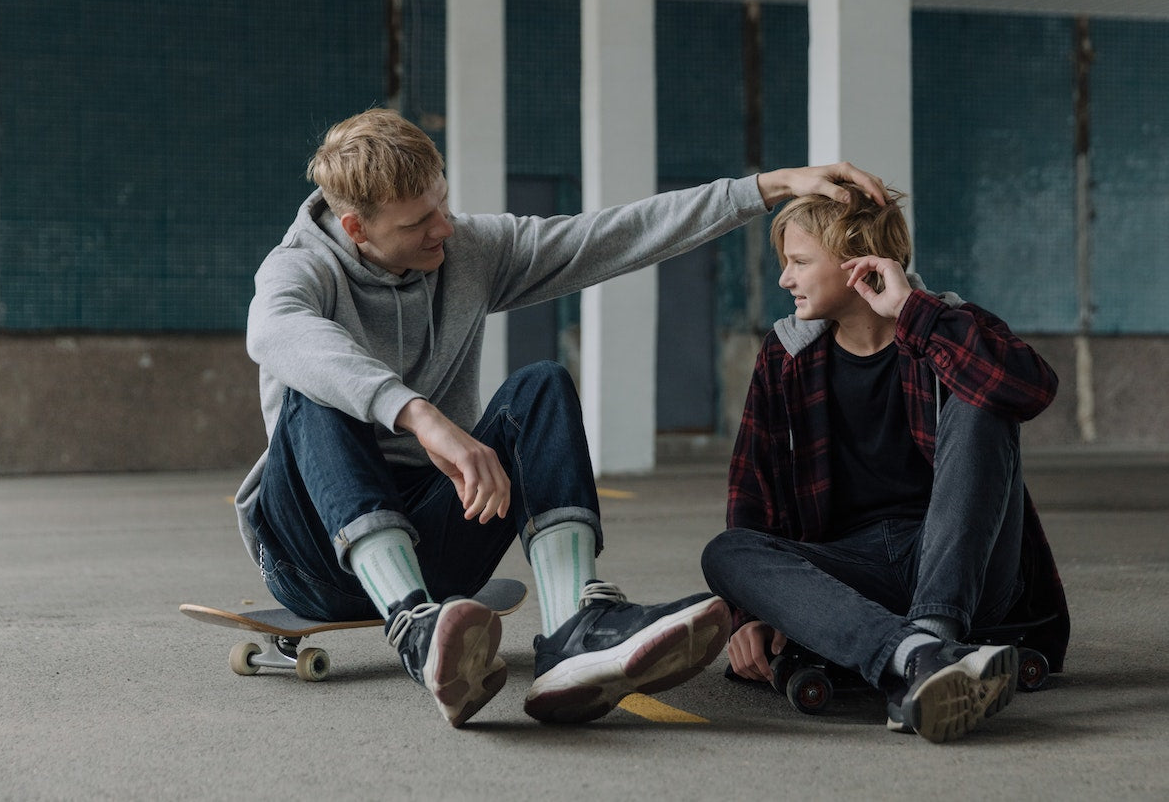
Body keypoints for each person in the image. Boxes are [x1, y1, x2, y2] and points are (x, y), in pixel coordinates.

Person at [234, 107, 887, 728]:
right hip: (314, 556)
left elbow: (613, 234)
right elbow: (277, 332)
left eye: (443, 203)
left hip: (435, 540)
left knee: (538, 386)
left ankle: (575, 627)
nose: (442, 228)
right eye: (417, 222)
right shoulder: (299, 269)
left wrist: (769, 187)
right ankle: (412, 625)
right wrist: (420, 416)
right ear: (356, 228)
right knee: (314, 388)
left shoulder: (466, 250)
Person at [700, 186, 1070, 743]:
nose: (785, 280)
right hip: (853, 570)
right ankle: (917, 656)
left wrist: (912, 314)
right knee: (727, 552)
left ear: (855, 263)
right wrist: (749, 611)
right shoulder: (785, 356)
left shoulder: (948, 326)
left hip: (963, 565)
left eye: (799, 262)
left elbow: (1032, 388)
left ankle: (930, 631)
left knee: (982, 389)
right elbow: (753, 492)